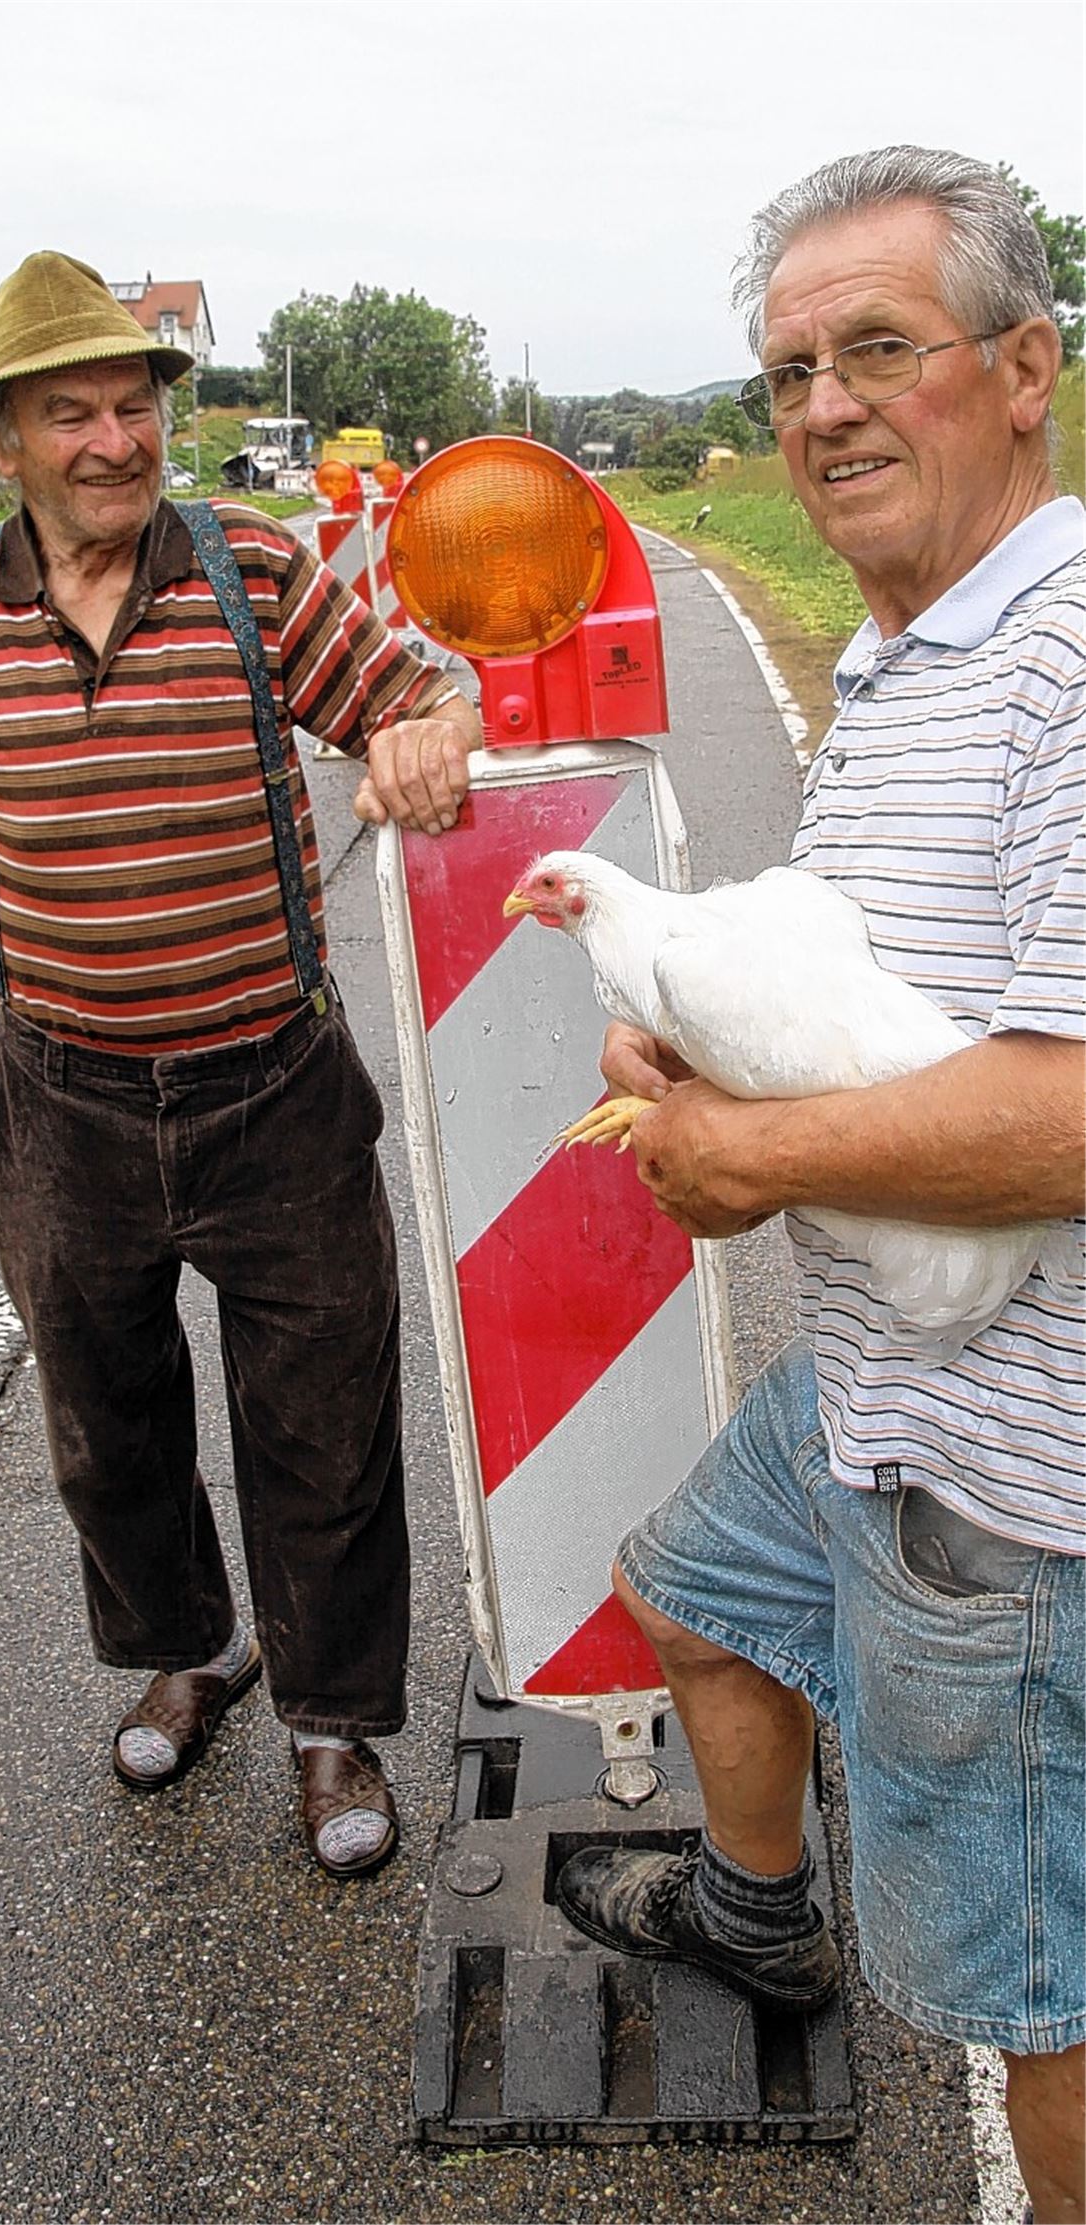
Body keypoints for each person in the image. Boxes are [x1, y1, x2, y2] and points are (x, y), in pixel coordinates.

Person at [553, 150, 1084, 2223]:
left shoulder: (1061, 666)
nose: (826, 408)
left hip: (1015, 1486)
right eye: (790, 371)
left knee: (1036, 1996)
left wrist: (745, 1155)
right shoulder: (903, 666)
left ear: (1026, 368)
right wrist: (698, 1062)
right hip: (873, 1397)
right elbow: (864, 1008)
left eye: (882, 349)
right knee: (692, 1589)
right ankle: (763, 1910)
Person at [0, 251, 475, 1881]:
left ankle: (331, 1720)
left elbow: (417, 684)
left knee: (321, 1423)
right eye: (71, 414)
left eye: (131, 404)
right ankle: (198, 1644)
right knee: (106, 1424)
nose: (113, 439)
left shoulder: (246, 567)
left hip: (273, 1089)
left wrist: (426, 728)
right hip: (64, 1100)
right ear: (4, 446)